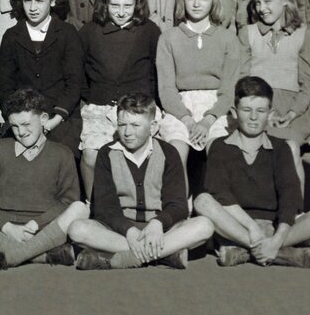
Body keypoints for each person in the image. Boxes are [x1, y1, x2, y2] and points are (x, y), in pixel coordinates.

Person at [194, 76, 310, 268]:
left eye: (261, 111)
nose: (254, 117)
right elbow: (220, 195)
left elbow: (290, 197)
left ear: (270, 114)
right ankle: (279, 254)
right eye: (247, 110)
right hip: (236, 225)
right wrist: (252, 228)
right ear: (234, 112)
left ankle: (247, 251)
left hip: (274, 226)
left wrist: (276, 239)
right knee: (202, 201)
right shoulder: (219, 146)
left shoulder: (281, 149)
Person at [69, 93, 212, 270]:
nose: (127, 132)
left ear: (152, 127)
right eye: (122, 125)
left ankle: (117, 260)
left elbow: (178, 204)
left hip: (160, 230)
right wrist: (129, 231)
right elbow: (104, 207)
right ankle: (164, 255)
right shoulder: (107, 153)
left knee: (204, 226)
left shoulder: (169, 153)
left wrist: (157, 224)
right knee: (77, 229)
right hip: (120, 231)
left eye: (135, 125)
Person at [0, 89, 88, 271]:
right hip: (3, 229)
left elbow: (67, 201)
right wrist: (8, 227)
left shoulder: (62, 154)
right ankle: (43, 255)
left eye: (26, 124)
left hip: (44, 229)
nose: (21, 132)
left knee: (80, 209)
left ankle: (10, 257)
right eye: (15, 126)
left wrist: (35, 224)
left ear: (43, 119)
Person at [78, 0, 161, 197]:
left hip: (139, 107)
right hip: (100, 106)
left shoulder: (150, 31)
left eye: (128, 5)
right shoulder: (90, 31)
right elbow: (80, 73)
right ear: (105, 3)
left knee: (141, 155)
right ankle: (92, 202)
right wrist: (97, 96)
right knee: (91, 155)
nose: (121, 11)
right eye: (115, 5)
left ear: (138, 4)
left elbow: (155, 74)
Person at [156, 0, 243, 165]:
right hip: (179, 107)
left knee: (220, 153)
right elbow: (166, 89)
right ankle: (179, 197)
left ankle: (213, 197)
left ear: (213, 0)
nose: (196, 3)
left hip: (217, 108)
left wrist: (208, 120)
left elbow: (230, 89)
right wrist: (187, 120)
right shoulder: (168, 38)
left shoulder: (228, 38)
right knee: (175, 154)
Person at [0, 0, 85, 154]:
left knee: (59, 154)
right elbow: (6, 87)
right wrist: (21, 122)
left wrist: (52, 121)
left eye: (39, 1)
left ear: (53, 1)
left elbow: (74, 84)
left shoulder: (68, 33)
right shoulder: (11, 36)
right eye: (27, 1)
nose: (33, 8)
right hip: (22, 119)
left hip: (59, 118)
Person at [239, 0, 310, 153]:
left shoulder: (303, 34)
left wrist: (291, 113)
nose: (261, 8)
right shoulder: (247, 33)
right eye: (257, 2)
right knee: (257, 148)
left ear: (285, 1)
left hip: (293, 110)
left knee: (289, 149)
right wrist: (259, 110)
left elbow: (307, 84)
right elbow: (241, 79)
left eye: (267, 2)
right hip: (256, 107)